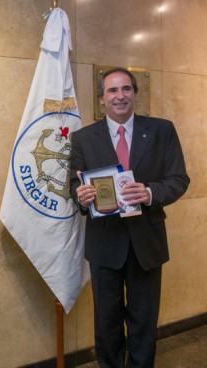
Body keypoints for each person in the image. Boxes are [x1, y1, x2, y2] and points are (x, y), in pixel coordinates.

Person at [69, 67, 190, 368]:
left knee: (143, 323)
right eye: (112, 91)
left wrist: (149, 193)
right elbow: (74, 184)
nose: (120, 96)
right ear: (101, 99)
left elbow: (178, 179)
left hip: (146, 244)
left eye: (126, 89)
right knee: (107, 325)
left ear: (135, 94)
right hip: (105, 244)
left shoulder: (162, 130)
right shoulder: (83, 138)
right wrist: (80, 196)